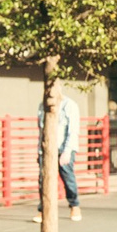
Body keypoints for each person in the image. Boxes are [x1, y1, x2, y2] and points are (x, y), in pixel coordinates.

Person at [36, 91, 83, 223]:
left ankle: (74, 205)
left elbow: (73, 130)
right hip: (46, 148)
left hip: (63, 147)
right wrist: (39, 150)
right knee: (43, 179)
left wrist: (67, 151)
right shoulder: (42, 106)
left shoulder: (69, 105)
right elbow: (41, 131)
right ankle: (43, 210)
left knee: (67, 177)